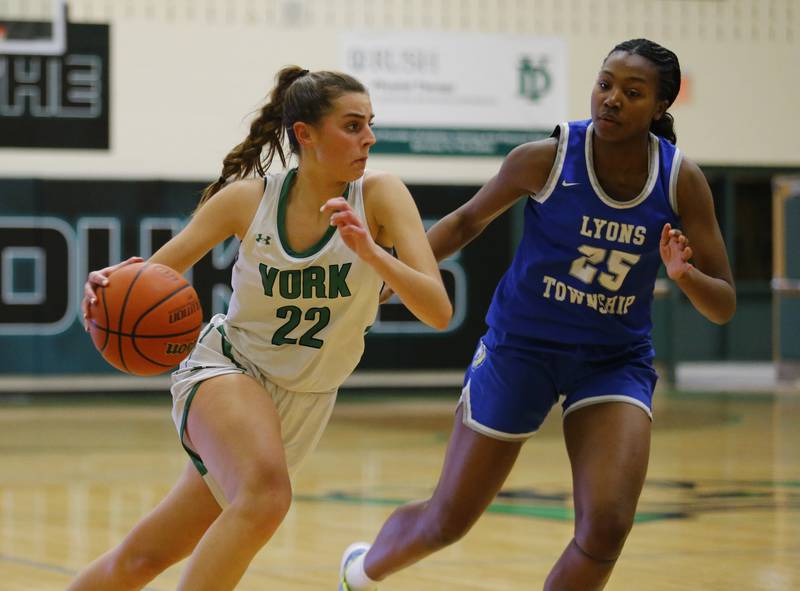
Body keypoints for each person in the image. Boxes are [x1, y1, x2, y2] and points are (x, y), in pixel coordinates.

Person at [338, 38, 736, 591]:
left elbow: (723, 304)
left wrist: (685, 276)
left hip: (612, 360)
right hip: (520, 350)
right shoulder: (546, 157)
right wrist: (397, 272)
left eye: (633, 92)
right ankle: (360, 572)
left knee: (606, 530)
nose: (612, 99)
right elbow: (465, 222)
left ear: (661, 107)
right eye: (605, 84)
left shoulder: (679, 181)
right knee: (448, 520)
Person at [69, 66, 452, 591]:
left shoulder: (382, 195)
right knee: (267, 498)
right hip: (228, 370)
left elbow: (438, 311)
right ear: (306, 134)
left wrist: (370, 253)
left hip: (305, 399)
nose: (370, 137)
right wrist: (107, 289)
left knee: (142, 558)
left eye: (370, 124)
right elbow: (152, 276)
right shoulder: (249, 200)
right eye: (353, 125)